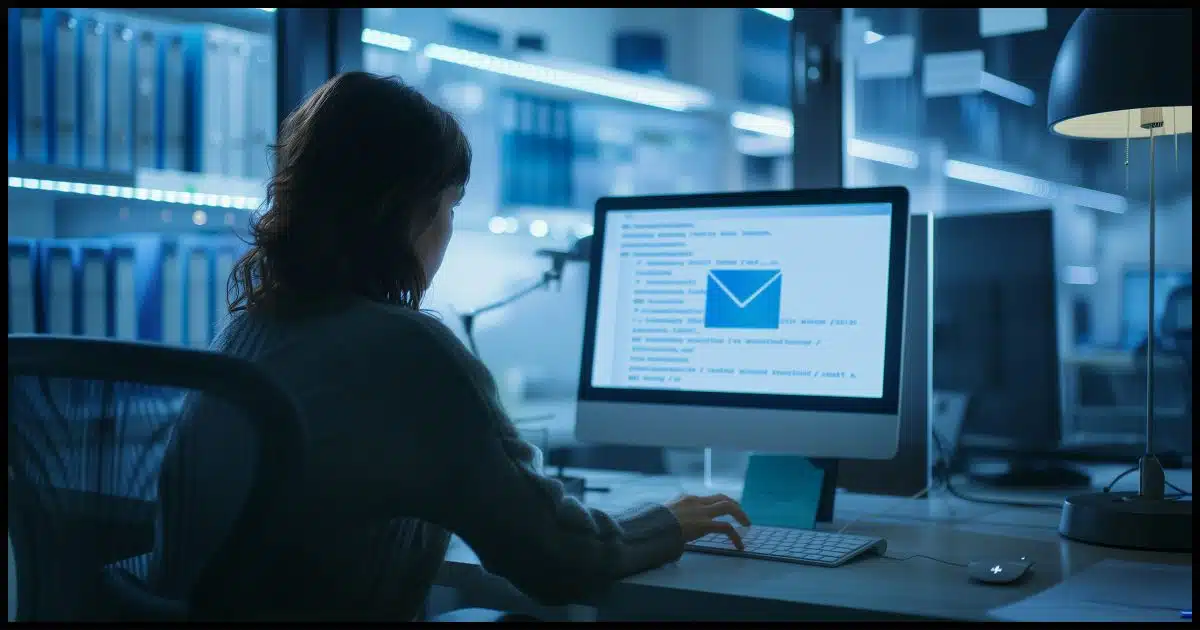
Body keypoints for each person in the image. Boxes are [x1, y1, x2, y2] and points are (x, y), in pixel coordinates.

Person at [153, 72, 750, 621]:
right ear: (406, 210)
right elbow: (560, 560)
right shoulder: (407, 351)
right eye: (449, 205)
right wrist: (667, 524)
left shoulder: (244, 333)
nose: (447, 229)